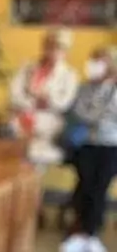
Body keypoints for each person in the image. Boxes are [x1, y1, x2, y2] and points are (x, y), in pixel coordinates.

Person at [61, 47, 117, 252]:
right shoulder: (84, 88)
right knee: (84, 186)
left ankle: (90, 235)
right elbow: (77, 110)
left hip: (110, 145)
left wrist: (93, 115)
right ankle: (79, 233)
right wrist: (96, 115)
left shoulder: (114, 89)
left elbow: (111, 113)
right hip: (85, 144)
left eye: (99, 61)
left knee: (99, 189)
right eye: (93, 61)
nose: (94, 66)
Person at [9, 28, 80, 165]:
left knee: (34, 157)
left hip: (49, 124)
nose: (53, 51)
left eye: (58, 48)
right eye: (49, 46)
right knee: (12, 156)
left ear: (65, 51)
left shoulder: (69, 74)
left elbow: (64, 103)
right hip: (22, 119)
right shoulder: (28, 67)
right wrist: (30, 102)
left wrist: (46, 98)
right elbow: (14, 94)